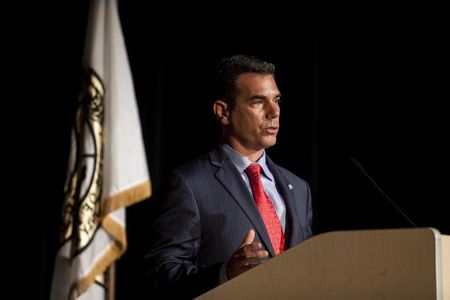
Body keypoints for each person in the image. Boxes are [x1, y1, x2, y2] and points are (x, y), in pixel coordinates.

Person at [146, 54, 313, 299]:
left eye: (276, 100)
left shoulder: (299, 188)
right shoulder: (189, 184)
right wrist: (224, 274)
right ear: (223, 112)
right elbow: (161, 276)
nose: (274, 112)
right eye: (258, 101)